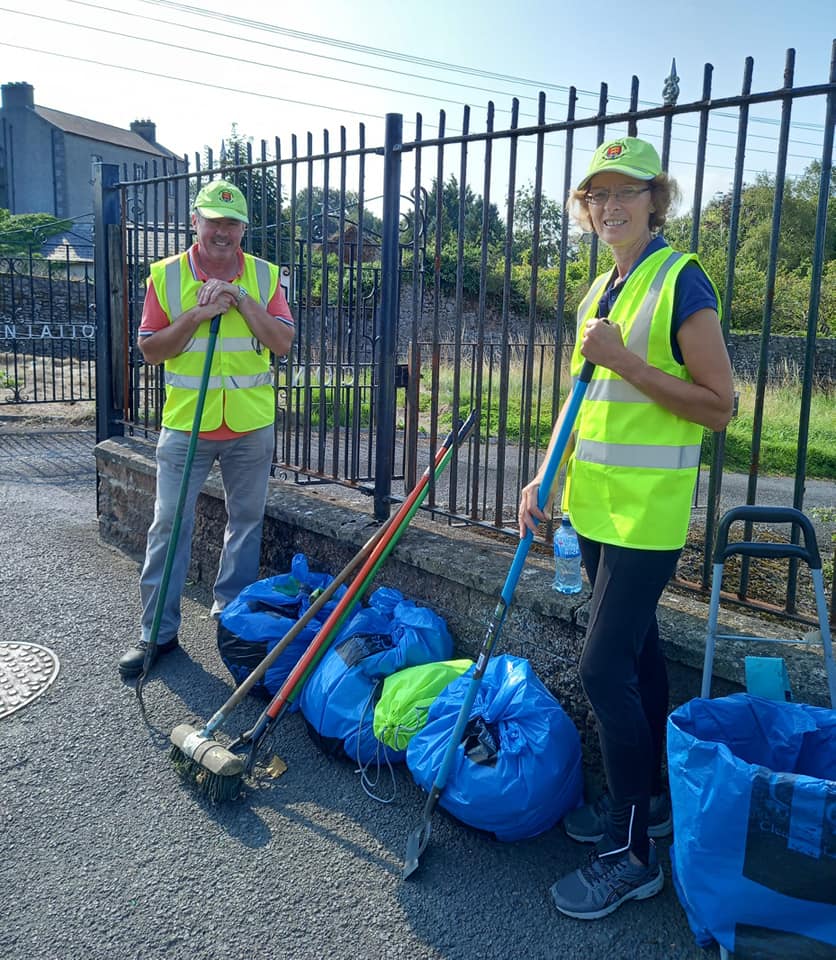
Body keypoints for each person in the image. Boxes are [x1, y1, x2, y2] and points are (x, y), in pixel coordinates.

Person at [518, 137, 734, 920]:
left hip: (648, 518)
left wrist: (629, 362)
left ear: (655, 199)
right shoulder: (599, 291)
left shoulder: (681, 279)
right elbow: (584, 404)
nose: (608, 207)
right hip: (596, 510)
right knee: (638, 663)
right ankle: (651, 805)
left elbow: (719, 405)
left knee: (603, 670)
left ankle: (629, 853)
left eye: (624, 193)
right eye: (595, 196)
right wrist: (545, 476)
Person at [118, 179, 295, 679]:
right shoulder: (167, 276)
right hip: (186, 426)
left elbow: (282, 342)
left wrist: (240, 300)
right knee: (169, 526)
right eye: (212, 220)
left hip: (249, 425)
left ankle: (231, 619)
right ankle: (157, 634)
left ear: (243, 228)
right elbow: (151, 349)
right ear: (194, 222)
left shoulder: (263, 276)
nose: (221, 231)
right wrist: (198, 314)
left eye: (231, 222)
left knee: (246, 525)